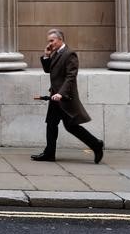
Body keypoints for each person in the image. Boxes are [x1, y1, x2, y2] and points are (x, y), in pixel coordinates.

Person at [31, 28, 104, 163]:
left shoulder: (69, 54)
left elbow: (71, 76)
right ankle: (49, 153)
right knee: (51, 124)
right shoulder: (56, 53)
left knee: (71, 127)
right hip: (55, 96)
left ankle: (96, 144)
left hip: (64, 98)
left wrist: (61, 93)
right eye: (49, 41)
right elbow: (49, 70)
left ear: (60, 39)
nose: (50, 44)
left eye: (52, 41)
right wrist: (46, 55)